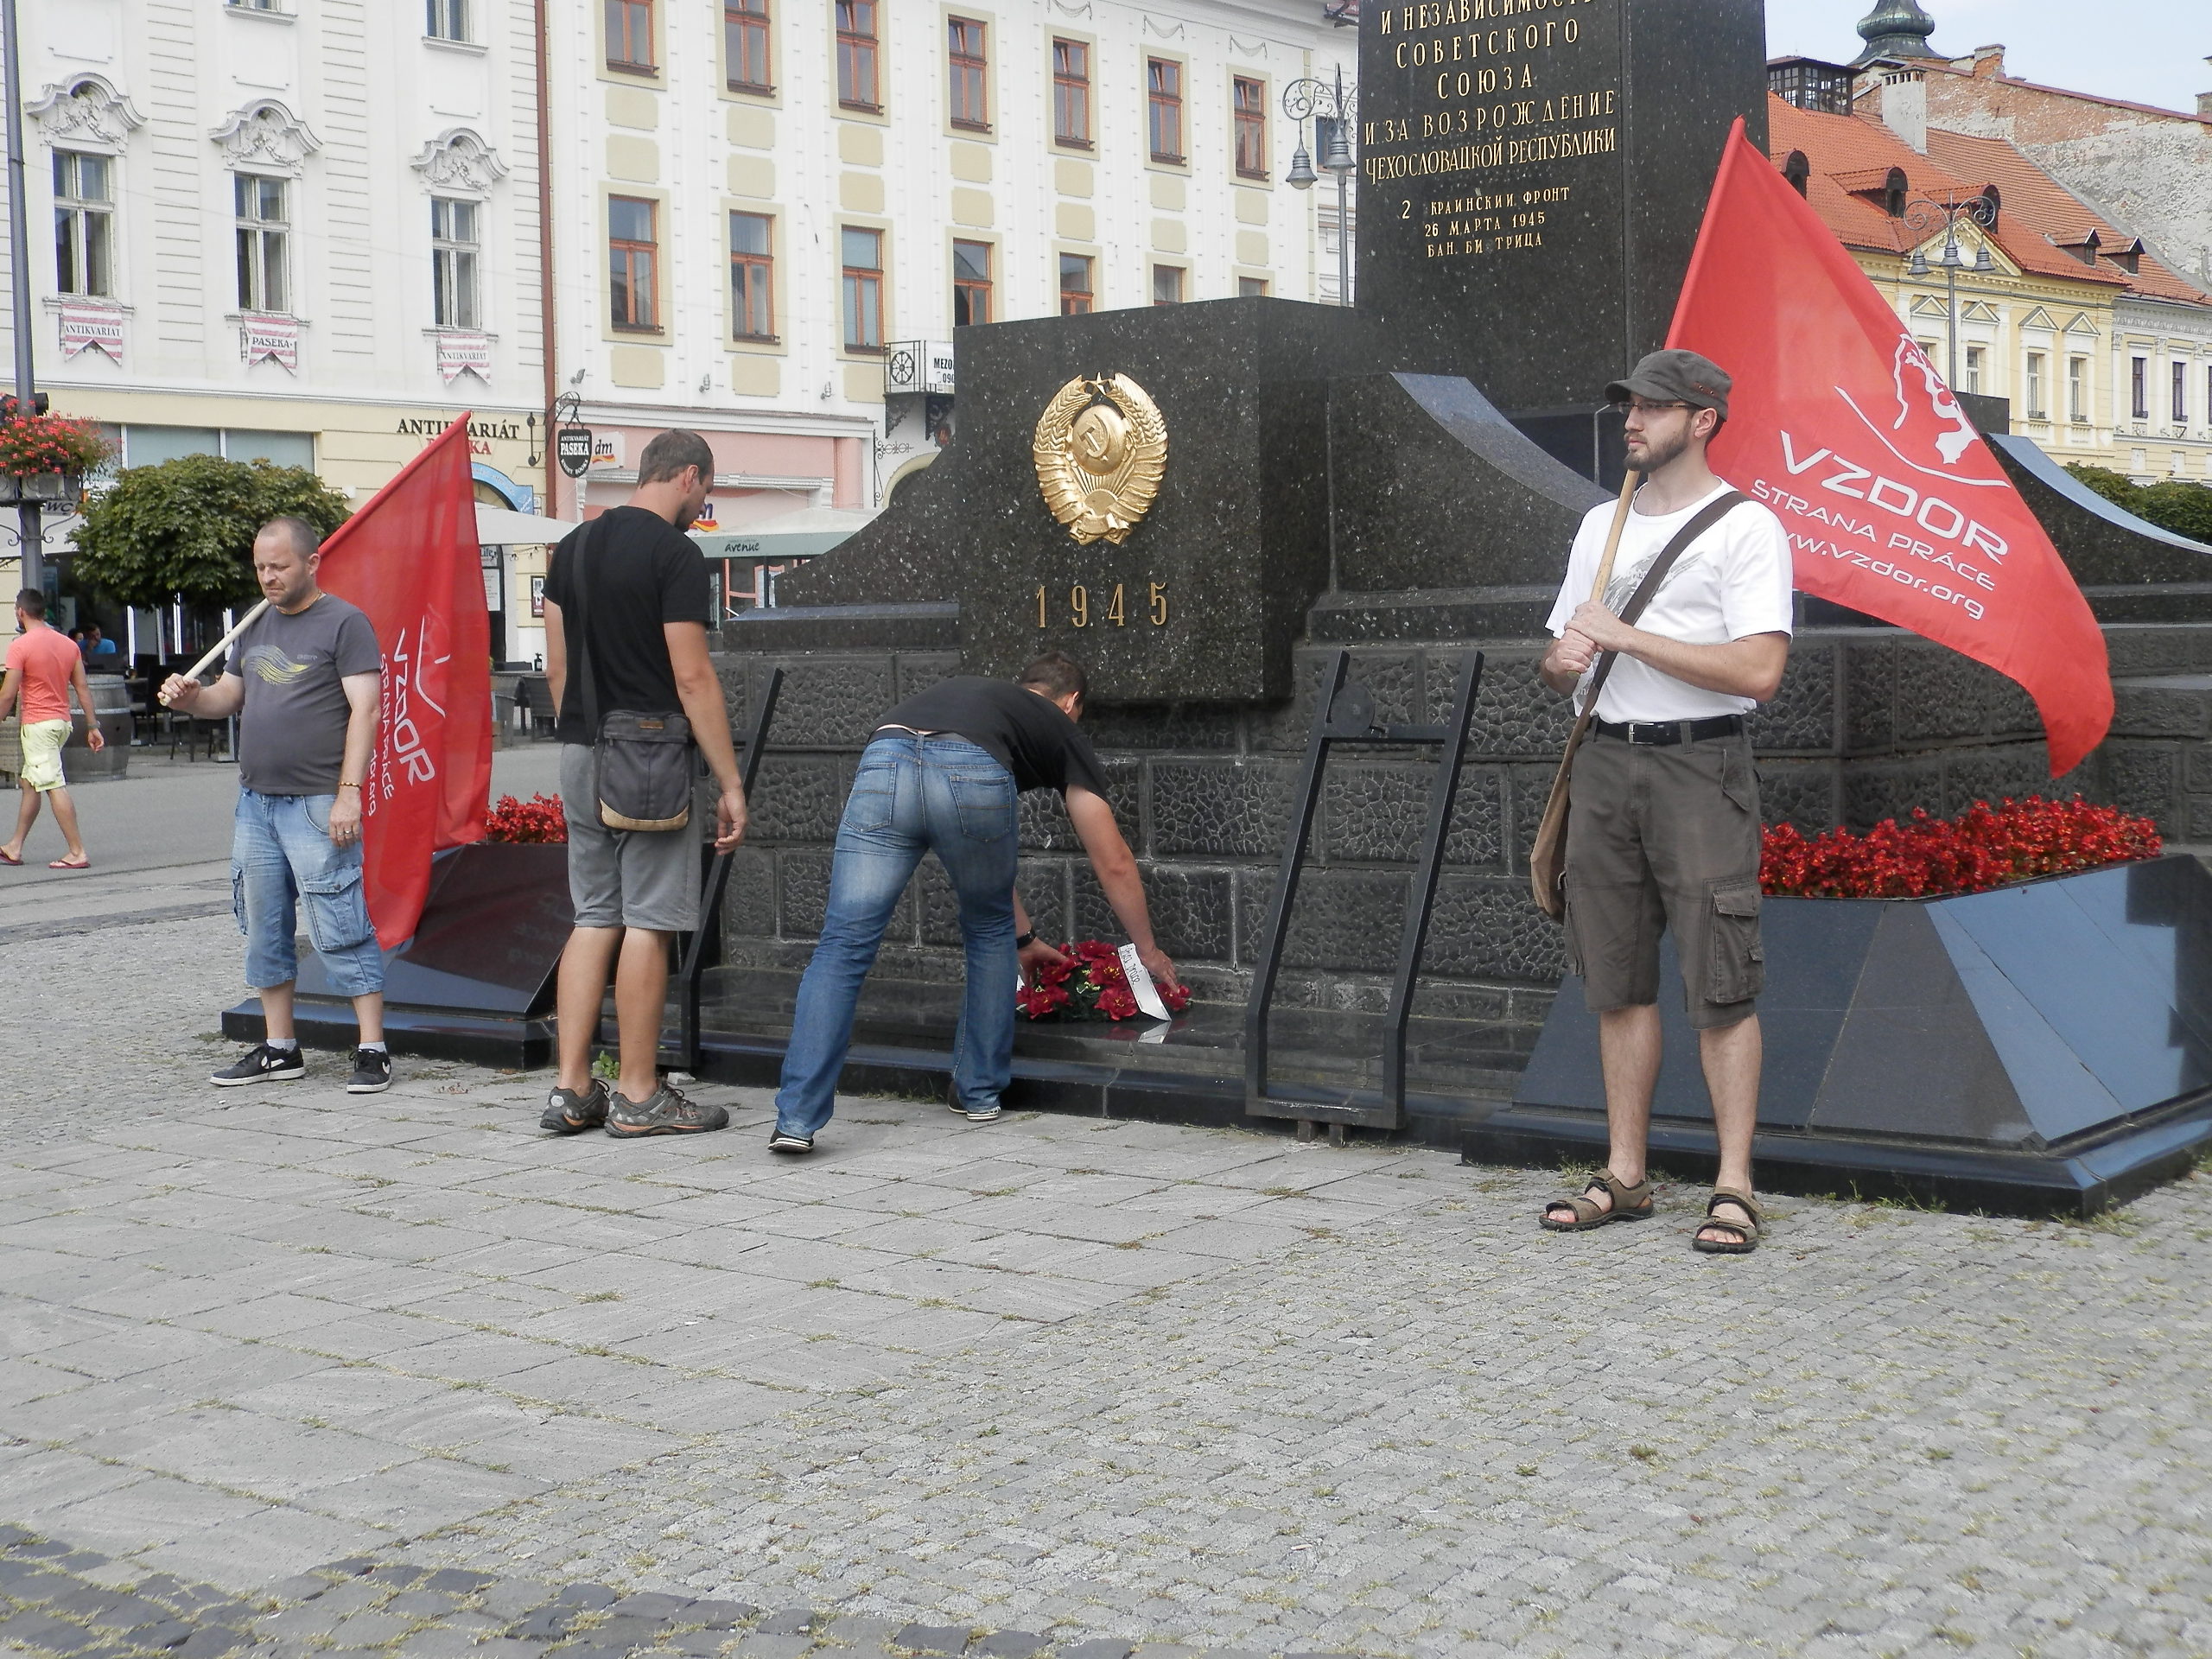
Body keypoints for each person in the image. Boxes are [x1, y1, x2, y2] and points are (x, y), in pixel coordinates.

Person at [1535, 349, 1792, 1255]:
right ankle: (1626, 1174)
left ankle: (1734, 1185)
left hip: (1699, 767)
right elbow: (1560, 658)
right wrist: (1562, 658)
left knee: (1721, 982)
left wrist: (1628, 638)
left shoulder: (1746, 528)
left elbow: (1759, 671)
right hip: (1606, 761)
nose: (1632, 421)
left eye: (1652, 407)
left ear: (1703, 420)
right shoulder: (1600, 524)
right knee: (1615, 981)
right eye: (1628, 407)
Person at [769, 652, 1182, 1155]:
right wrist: (1146, 949)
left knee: (842, 946)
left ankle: (796, 1120)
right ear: (1071, 702)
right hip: (970, 769)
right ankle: (979, 1091)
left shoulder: (982, 699)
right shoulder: (1059, 726)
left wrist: (1025, 938)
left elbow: (993, 870)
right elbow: (1113, 860)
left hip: (885, 758)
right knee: (987, 932)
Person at [538, 429, 750, 1139]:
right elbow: (691, 675)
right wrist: (729, 781)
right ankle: (638, 1094)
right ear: (688, 476)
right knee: (650, 921)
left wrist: (588, 733)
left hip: (581, 748)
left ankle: (572, 1090)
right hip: (651, 756)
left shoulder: (573, 548)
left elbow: (558, 668)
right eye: (705, 492)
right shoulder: (675, 554)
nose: (701, 506)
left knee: (594, 915)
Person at [162, 518, 392, 1094]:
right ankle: (280, 1048)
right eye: (261, 567)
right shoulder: (254, 621)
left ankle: (372, 1049)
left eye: (279, 566)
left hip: (318, 804)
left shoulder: (345, 622)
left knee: (341, 923)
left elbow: (366, 710)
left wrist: (349, 792)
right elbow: (228, 697)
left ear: (312, 563)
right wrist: (192, 699)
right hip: (257, 805)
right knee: (265, 928)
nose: (268, 577)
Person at [0, 588, 105, 870]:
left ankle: (77, 851)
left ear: (20, 612)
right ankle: (14, 846)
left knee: (53, 784)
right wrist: (92, 725)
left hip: (38, 725)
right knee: (31, 783)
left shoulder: (20, 646)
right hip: (61, 722)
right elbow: (82, 688)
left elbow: (8, 695)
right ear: (43, 612)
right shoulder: (68, 645)